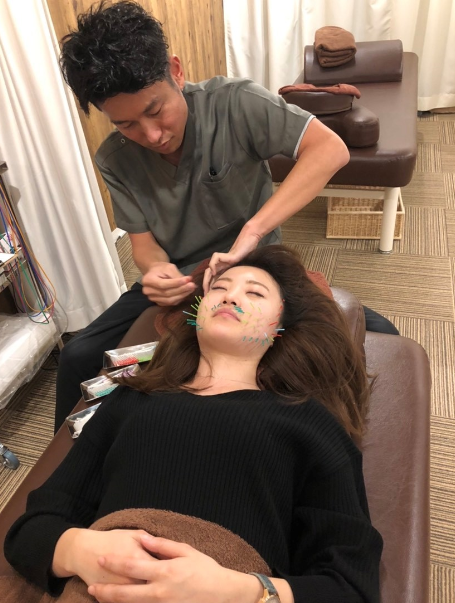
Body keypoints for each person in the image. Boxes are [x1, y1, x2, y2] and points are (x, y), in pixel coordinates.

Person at [54, 0, 398, 432]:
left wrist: (253, 231)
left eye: (155, 111)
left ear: (176, 72)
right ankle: (70, 457)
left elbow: (330, 150)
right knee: (77, 356)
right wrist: (156, 270)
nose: (151, 135)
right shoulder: (114, 159)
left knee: (379, 334)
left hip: (254, 265)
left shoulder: (236, 103)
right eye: (126, 125)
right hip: (184, 282)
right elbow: (143, 245)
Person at [5, 245, 382, 603]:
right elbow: (32, 528)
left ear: (279, 327)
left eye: (254, 293)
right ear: (195, 314)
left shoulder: (310, 423)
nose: (230, 297)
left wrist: (239, 591)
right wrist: (79, 550)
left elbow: (350, 585)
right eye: (219, 288)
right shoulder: (131, 399)